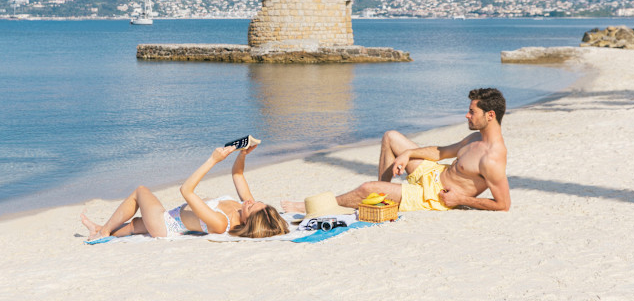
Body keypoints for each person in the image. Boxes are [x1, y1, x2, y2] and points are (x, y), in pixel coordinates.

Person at [283, 88, 511, 213]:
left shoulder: (492, 159)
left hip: (433, 196)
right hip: (432, 174)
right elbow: (440, 152)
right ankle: (384, 198)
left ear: (490, 115)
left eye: (472, 112)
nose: (467, 115)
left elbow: (503, 204)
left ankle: (309, 207)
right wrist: (408, 154)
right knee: (391, 137)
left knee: (366, 188)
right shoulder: (474, 138)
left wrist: (461, 199)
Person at [80, 143, 289, 242]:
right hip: (174, 219)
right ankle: (100, 229)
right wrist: (243, 154)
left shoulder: (221, 223)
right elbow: (237, 175)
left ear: (246, 222)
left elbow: (186, 190)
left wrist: (213, 160)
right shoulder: (244, 209)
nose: (250, 202)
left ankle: (103, 232)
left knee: (141, 191)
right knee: (134, 225)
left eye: (252, 207)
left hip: (167, 224)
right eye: (257, 202)